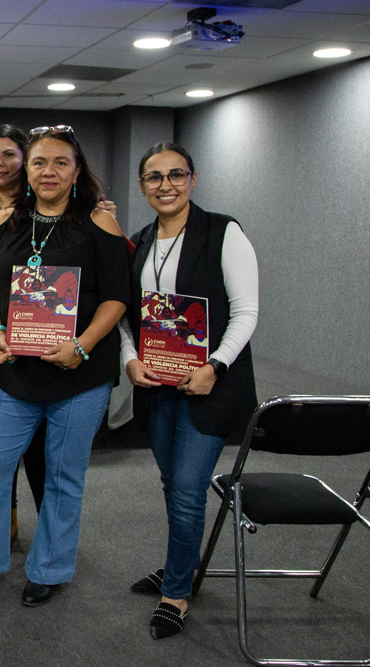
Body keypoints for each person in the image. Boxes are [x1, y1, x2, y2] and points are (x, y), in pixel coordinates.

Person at [0, 125, 129, 607]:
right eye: (40, 162)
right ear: (29, 170)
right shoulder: (5, 222)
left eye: (61, 162)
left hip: (79, 375)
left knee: (63, 475)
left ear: (76, 171)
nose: (49, 171)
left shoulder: (98, 223)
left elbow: (117, 297)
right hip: (17, 374)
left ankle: (50, 568)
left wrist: (81, 346)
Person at [121, 142, 258, 639]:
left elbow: (246, 313)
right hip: (157, 386)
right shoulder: (139, 242)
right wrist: (130, 360)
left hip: (208, 387)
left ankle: (177, 592)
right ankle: (183, 565)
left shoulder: (223, 231)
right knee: (172, 484)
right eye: (154, 177)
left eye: (176, 174)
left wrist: (216, 366)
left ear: (193, 179)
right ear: (142, 186)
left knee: (185, 490)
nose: (166, 185)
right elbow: (126, 319)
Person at [0, 124, 44, 543]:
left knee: (38, 444)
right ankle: (6, 523)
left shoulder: (54, 210)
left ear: (26, 158)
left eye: (9, 155)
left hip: (42, 340)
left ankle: (49, 526)